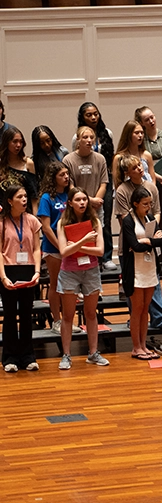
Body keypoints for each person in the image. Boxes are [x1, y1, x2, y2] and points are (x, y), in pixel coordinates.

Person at [113, 154, 162, 331]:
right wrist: (144, 236)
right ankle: (134, 319)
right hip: (131, 241)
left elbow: (156, 212)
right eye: (134, 167)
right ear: (127, 172)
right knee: (133, 285)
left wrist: (151, 232)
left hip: (149, 235)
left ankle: (160, 318)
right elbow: (125, 218)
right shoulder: (122, 190)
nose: (140, 169)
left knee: (153, 281)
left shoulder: (150, 186)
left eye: (140, 165)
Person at [56, 186, 108, 369]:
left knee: (90, 313)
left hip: (91, 270)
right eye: (78, 200)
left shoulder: (94, 222)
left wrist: (77, 246)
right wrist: (84, 240)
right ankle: (66, 355)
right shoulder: (62, 223)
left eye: (84, 199)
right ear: (70, 203)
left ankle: (93, 353)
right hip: (69, 271)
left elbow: (100, 251)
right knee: (68, 315)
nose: (82, 203)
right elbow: (63, 252)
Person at [0, 184, 41, 372]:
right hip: (8, 271)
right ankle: (9, 358)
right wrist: (2, 277)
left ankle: (28, 356)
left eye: (25, 196)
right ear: (10, 201)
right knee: (9, 316)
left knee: (26, 315)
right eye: (19, 197)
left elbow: (36, 249)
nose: (24, 200)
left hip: (28, 271)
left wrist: (37, 272)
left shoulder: (32, 220)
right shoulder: (2, 222)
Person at [120, 185, 162, 360]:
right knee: (137, 309)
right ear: (135, 203)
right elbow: (135, 246)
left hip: (150, 267)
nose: (148, 207)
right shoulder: (128, 221)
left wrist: (148, 241)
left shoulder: (150, 218)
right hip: (135, 269)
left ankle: (144, 346)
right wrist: (151, 241)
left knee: (145, 309)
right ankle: (135, 347)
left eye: (150, 204)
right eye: (145, 204)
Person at [74, 102, 116, 271]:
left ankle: (106, 256)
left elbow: (111, 158)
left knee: (104, 219)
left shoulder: (108, 134)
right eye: (88, 115)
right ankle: (90, 257)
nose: (93, 117)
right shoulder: (76, 137)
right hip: (86, 181)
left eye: (95, 114)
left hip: (105, 180)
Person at [37, 162, 76, 336]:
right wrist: (60, 247)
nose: (66, 177)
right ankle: (56, 321)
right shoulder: (47, 198)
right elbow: (45, 227)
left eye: (67, 174)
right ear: (53, 178)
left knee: (69, 286)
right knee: (55, 284)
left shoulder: (70, 195)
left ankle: (69, 321)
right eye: (62, 175)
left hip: (71, 245)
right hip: (53, 248)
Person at [135, 107, 162, 268]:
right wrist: (158, 177)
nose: (151, 121)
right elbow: (146, 165)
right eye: (147, 120)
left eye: (152, 117)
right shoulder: (141, 139)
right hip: (149, 183)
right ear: (141, 123)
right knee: (148, 218)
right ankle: (151, 253)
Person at [62, 125, 109, 266]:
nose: (89, 140)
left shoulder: (100, 159)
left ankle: (97, 265)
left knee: (96, 237)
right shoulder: (68, 160)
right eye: (85, 137)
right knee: (77, 236)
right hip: (78, 205)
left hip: (96, 206)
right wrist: (88, 200)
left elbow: (104, 183)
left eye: (91, 138)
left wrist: (95, 201)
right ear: (78, 139)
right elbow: (70, 185)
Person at [0, 126, 38, 212]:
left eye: (21, 142)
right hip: (4, 213)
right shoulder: (1, 164)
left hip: (24, 212)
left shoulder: (28, 163)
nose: (18, 145)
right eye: (15, 142)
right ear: (7, 143)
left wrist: (35, 216)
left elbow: (33, 195)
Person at [111, 120, 156, 187]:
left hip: (147, 192)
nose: (140, 135)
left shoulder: (146, 155)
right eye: (136, 133)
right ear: (128, 135)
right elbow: (117, 182)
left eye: (142, 133)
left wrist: (151, 191)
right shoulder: (119, 157)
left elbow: (153, 179)